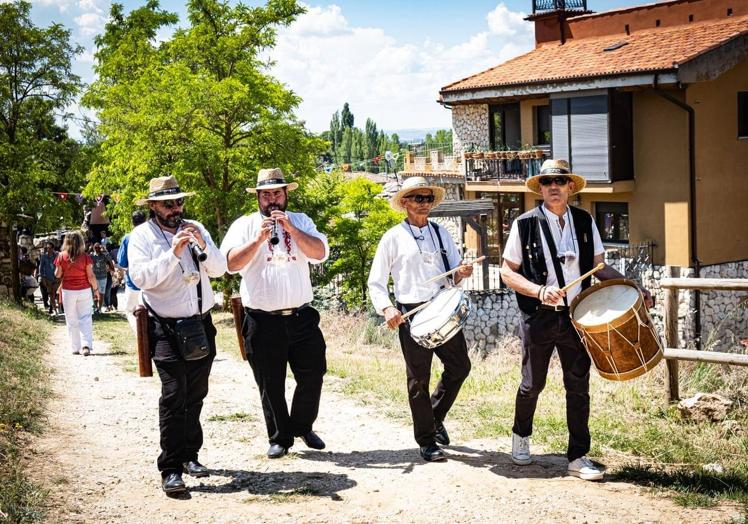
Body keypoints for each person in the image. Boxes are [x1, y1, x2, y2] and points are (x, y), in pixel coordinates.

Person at [499, 159, 654, 481]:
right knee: (532, 385)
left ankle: (578, 456)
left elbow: (599, 267)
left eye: (560, 181)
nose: (553, 187)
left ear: (570, 187)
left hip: (576, 318)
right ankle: (521, 438)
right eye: (547, 182)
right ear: (540, 188)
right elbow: (507, 272)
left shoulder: (584, 221)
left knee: (578, 388)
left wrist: (631, 287)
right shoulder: (524, 224)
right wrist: (539, 291)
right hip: (538, 317)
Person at [220, 168, 329, 459]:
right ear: (258, 197)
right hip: (262, 318)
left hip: (301, 316)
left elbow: (319, 253)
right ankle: (280, 437)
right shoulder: (244, 225)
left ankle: (302, 426)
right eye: (266, 195)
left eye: (277, 194)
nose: (272, 200)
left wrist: (292, 229)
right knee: (270, 381)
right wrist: (257, 240)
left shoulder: (302, 220)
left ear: (286, 195)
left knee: (313, 373)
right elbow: (229, 263)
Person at [128, 175, 227, 495]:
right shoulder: (142, 236)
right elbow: (143, 279)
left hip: (200, 323)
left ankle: (190, 455)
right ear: (154, 206)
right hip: (165, 327)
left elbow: (219, 269)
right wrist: (172, 252)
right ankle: (170, 467)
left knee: (196, 394)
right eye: (168, 204)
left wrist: (203, 243)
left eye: (179, 202)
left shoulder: (195, 226)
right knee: (174, 395)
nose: (176, 209)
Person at [367, 176, 473, 462]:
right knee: (418, 380)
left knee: (460, 366)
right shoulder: (392, 237)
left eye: (428, 199)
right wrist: (388, 309)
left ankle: (434, 417)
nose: (424, 204)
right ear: (404, 202)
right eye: (418, 198)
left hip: (441, 307)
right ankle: (426, 441)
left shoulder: (441, 233)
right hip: (411, 312)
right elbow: (376, 282)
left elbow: (452, 272)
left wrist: (460, 273)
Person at [54, 230, 100, 356]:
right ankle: (86, 345)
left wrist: (62, 268)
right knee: (85, 318)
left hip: (68, 291)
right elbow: (90, 276)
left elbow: (57, 275)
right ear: (80, 242)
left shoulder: (61, 256)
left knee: (71, 319)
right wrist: (96, 290)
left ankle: (75, 347)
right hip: (84, 290)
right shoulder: (85, 257)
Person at [118, 210, 147, 331]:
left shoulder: (127, 238)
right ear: (145, 221)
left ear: (132, 222)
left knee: (131, 311)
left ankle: (140, 338)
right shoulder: (152, 236)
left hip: (133, 282)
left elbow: (122, 262)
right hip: (152, 283)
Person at [90, 242, 113, 313]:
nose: (97, 249)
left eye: (98, 248)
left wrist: (105, 251)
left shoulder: (104, 255)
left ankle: (99, 308)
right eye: (95, 248)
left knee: (102, 293)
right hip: (95, 277)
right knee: (94, 292)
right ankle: (95, 307)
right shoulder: (91, 255)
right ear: (93, 248)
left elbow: (110, 260)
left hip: (103, 276)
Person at [38, 242, 60, 313]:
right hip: (48, 278)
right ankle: (54, 309)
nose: (48, 249)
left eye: (50, 248)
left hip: (56, 277)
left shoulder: (57, 255)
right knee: (51, 294)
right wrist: (42, 277)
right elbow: (41, 268)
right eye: (47, 248)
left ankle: (58, 307)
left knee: (57, 293)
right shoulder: (44, 257)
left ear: (53, 248)